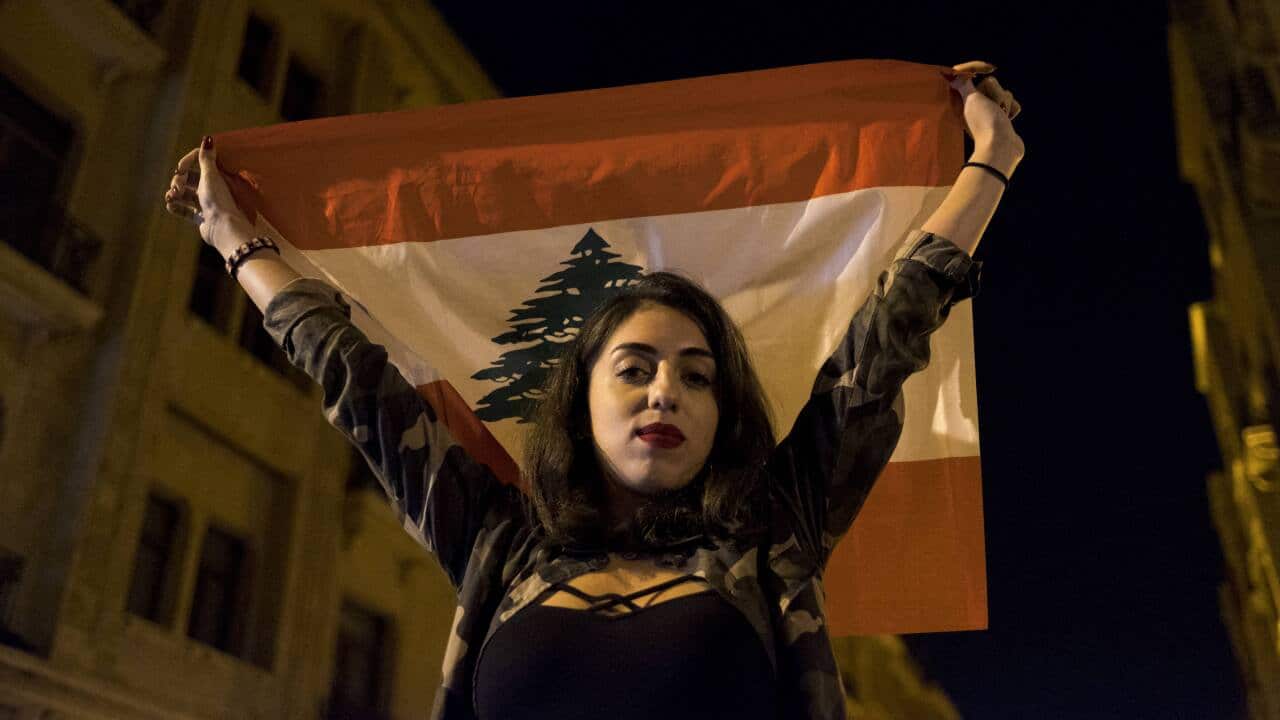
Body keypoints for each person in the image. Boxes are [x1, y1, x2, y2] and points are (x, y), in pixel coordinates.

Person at [164, 60, 1022, 720]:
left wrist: (991, 162)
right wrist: (234, 238)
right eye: (636, 369)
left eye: (697, 376)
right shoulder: (498, 546)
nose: (665, 393)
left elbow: (882, 346)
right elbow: (354, 377)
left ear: (723, 416)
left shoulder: (773, 536)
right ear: (580, 402)